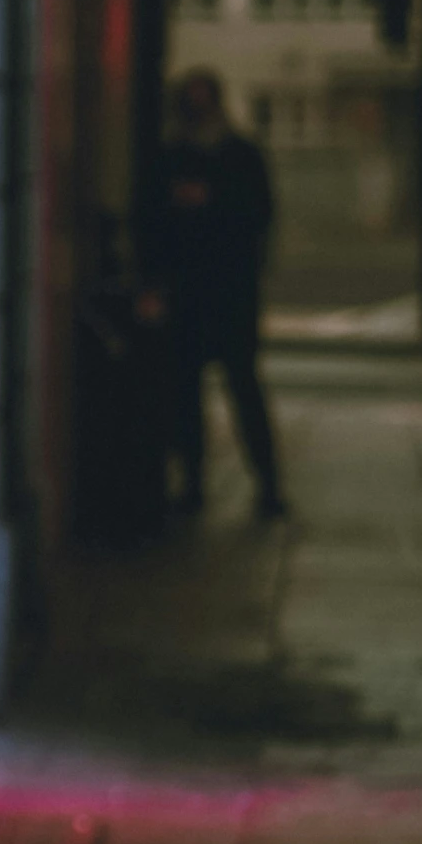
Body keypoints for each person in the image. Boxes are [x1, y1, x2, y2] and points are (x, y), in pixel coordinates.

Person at [142, 69, 287, 520]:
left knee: (241, 385)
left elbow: (259, 214)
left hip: (227, 291)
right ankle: (195, 483)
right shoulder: (176, 156)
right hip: (195, 290)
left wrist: (210, 201)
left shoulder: (238, 155)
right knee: (189, 390)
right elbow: (155, 224)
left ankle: (266, 484)